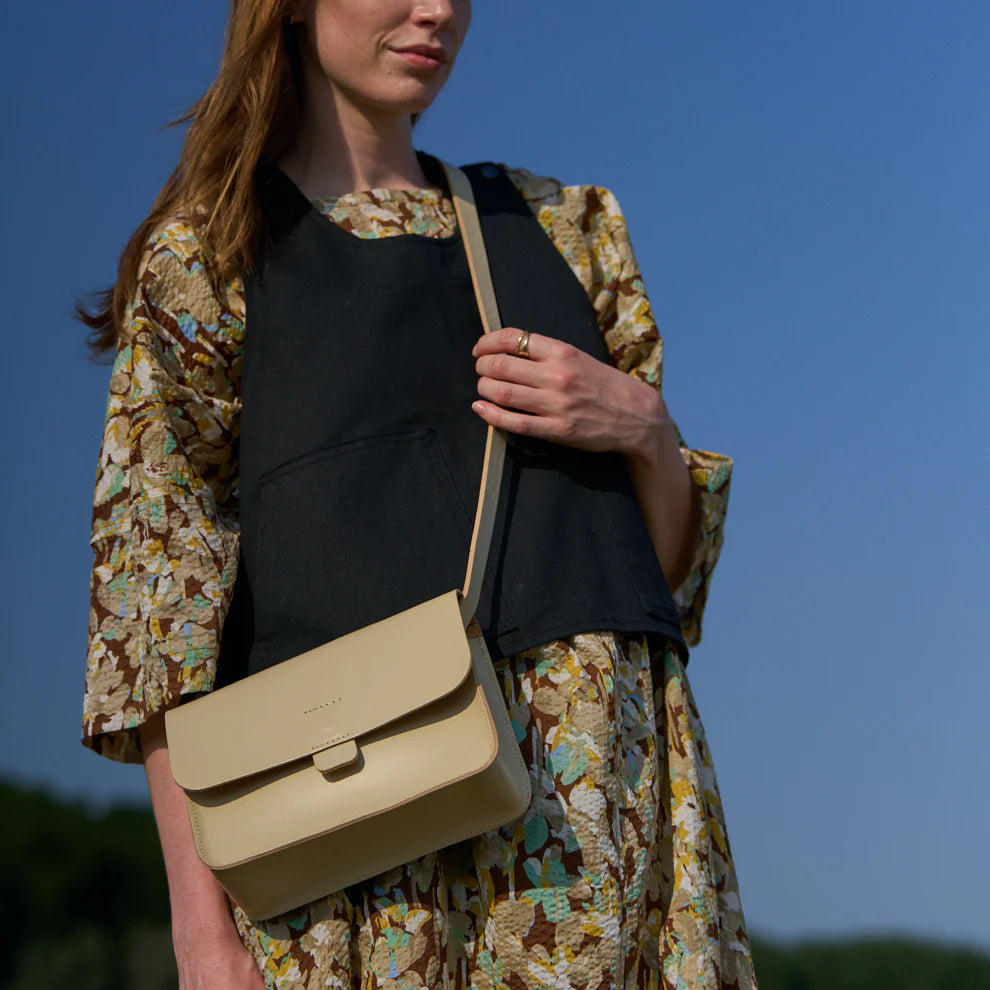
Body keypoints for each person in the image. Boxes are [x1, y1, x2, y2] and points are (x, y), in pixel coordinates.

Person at [79, 1, 756, 987]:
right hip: (365, 850)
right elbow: (155, 601)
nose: (436, 8)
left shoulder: (565, 228)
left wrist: (641, 431)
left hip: (609, 819)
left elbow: (657, 584)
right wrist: (201, 929)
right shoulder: (208, 261)